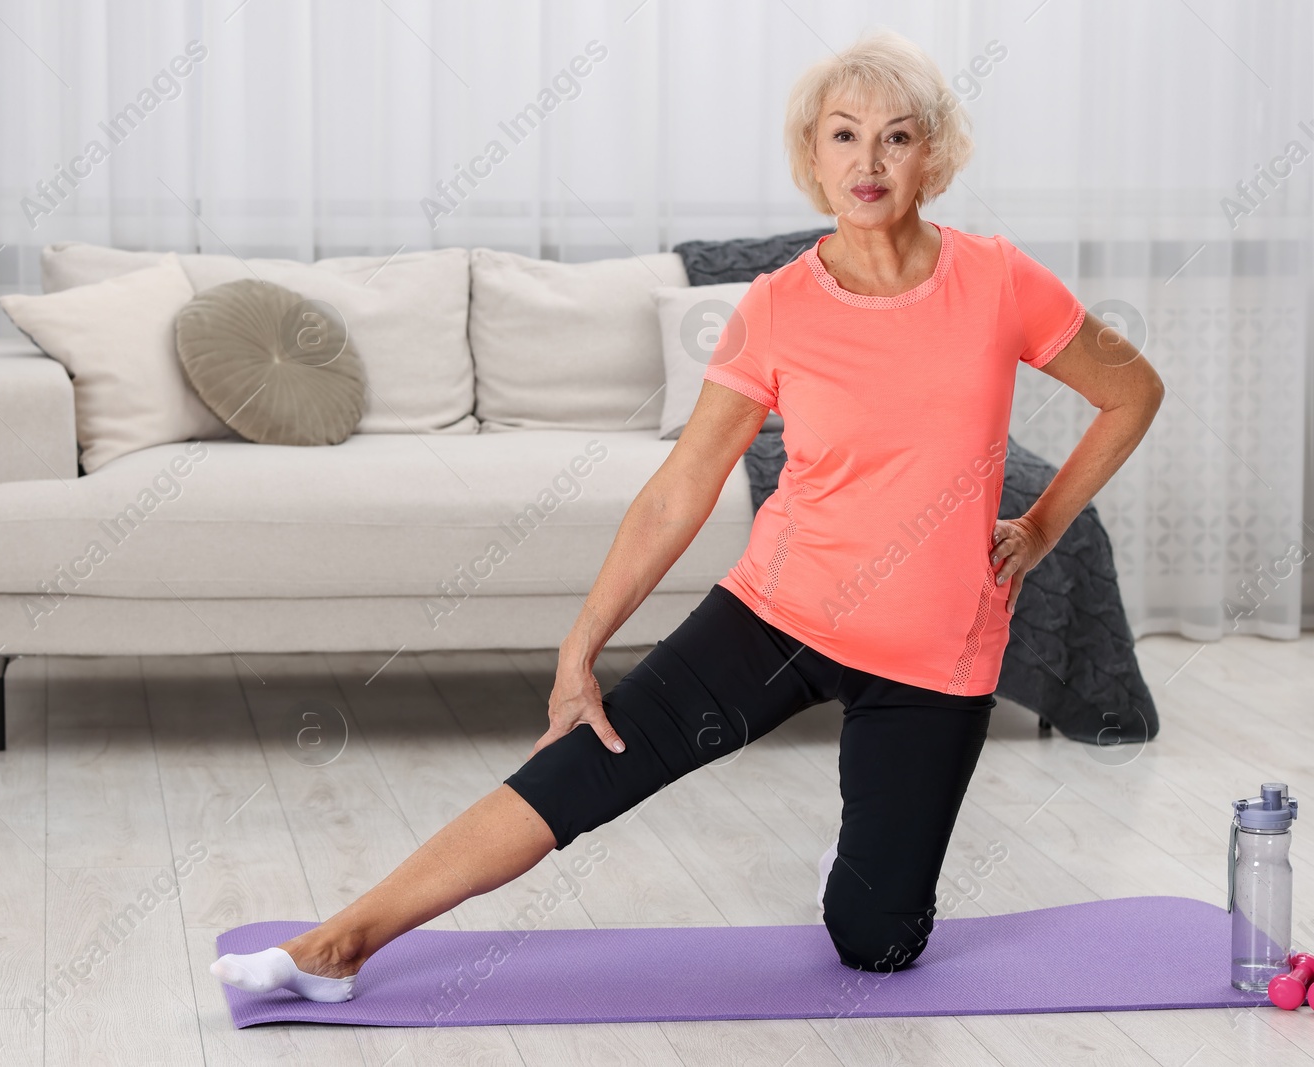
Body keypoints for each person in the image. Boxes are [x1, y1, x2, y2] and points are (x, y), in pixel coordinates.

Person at [211, 28, 1164, 1001]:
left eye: (895, 136)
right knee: (582, 767)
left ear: (934, 153)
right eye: (842, 136)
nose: (867, 162)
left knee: (875, 940)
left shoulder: (999, 280)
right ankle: (336, 942)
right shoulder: (777, 305)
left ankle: (872, 885)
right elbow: (682, 483)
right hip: (778, 614)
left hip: (934, 653)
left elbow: (1132, 392)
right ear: (810, 155)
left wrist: (1040, 526)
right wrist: (583, 641)